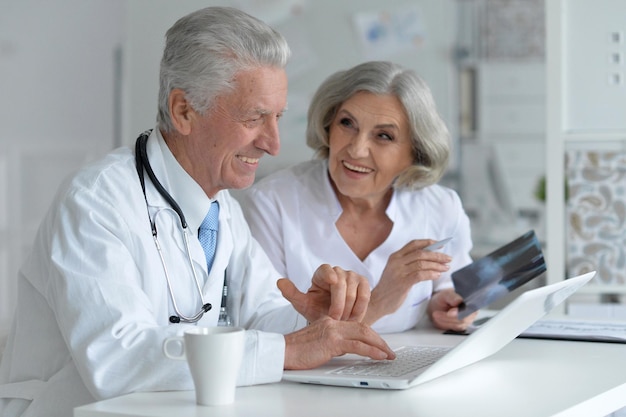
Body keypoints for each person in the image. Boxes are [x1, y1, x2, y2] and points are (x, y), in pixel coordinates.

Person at [0, 8, 395, 417]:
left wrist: (310, 320)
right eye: (254, 118)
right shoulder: (96, 201)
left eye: (276, 118)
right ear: (184, 111)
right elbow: (116, 358)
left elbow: (258, 313)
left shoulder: (220, 207)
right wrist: (289, 348)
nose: (273, 144)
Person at [239, 61, 477, 334]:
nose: (357, 149)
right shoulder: (271, 203)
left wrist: (443, 306)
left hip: (409, 365)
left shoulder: (441, 206)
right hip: (305, 374)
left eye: (384, 136)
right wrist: (380, 301)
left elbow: (447, 284)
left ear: (416, 152)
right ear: (328, 125)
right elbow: (264, 327)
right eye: (347, 124)